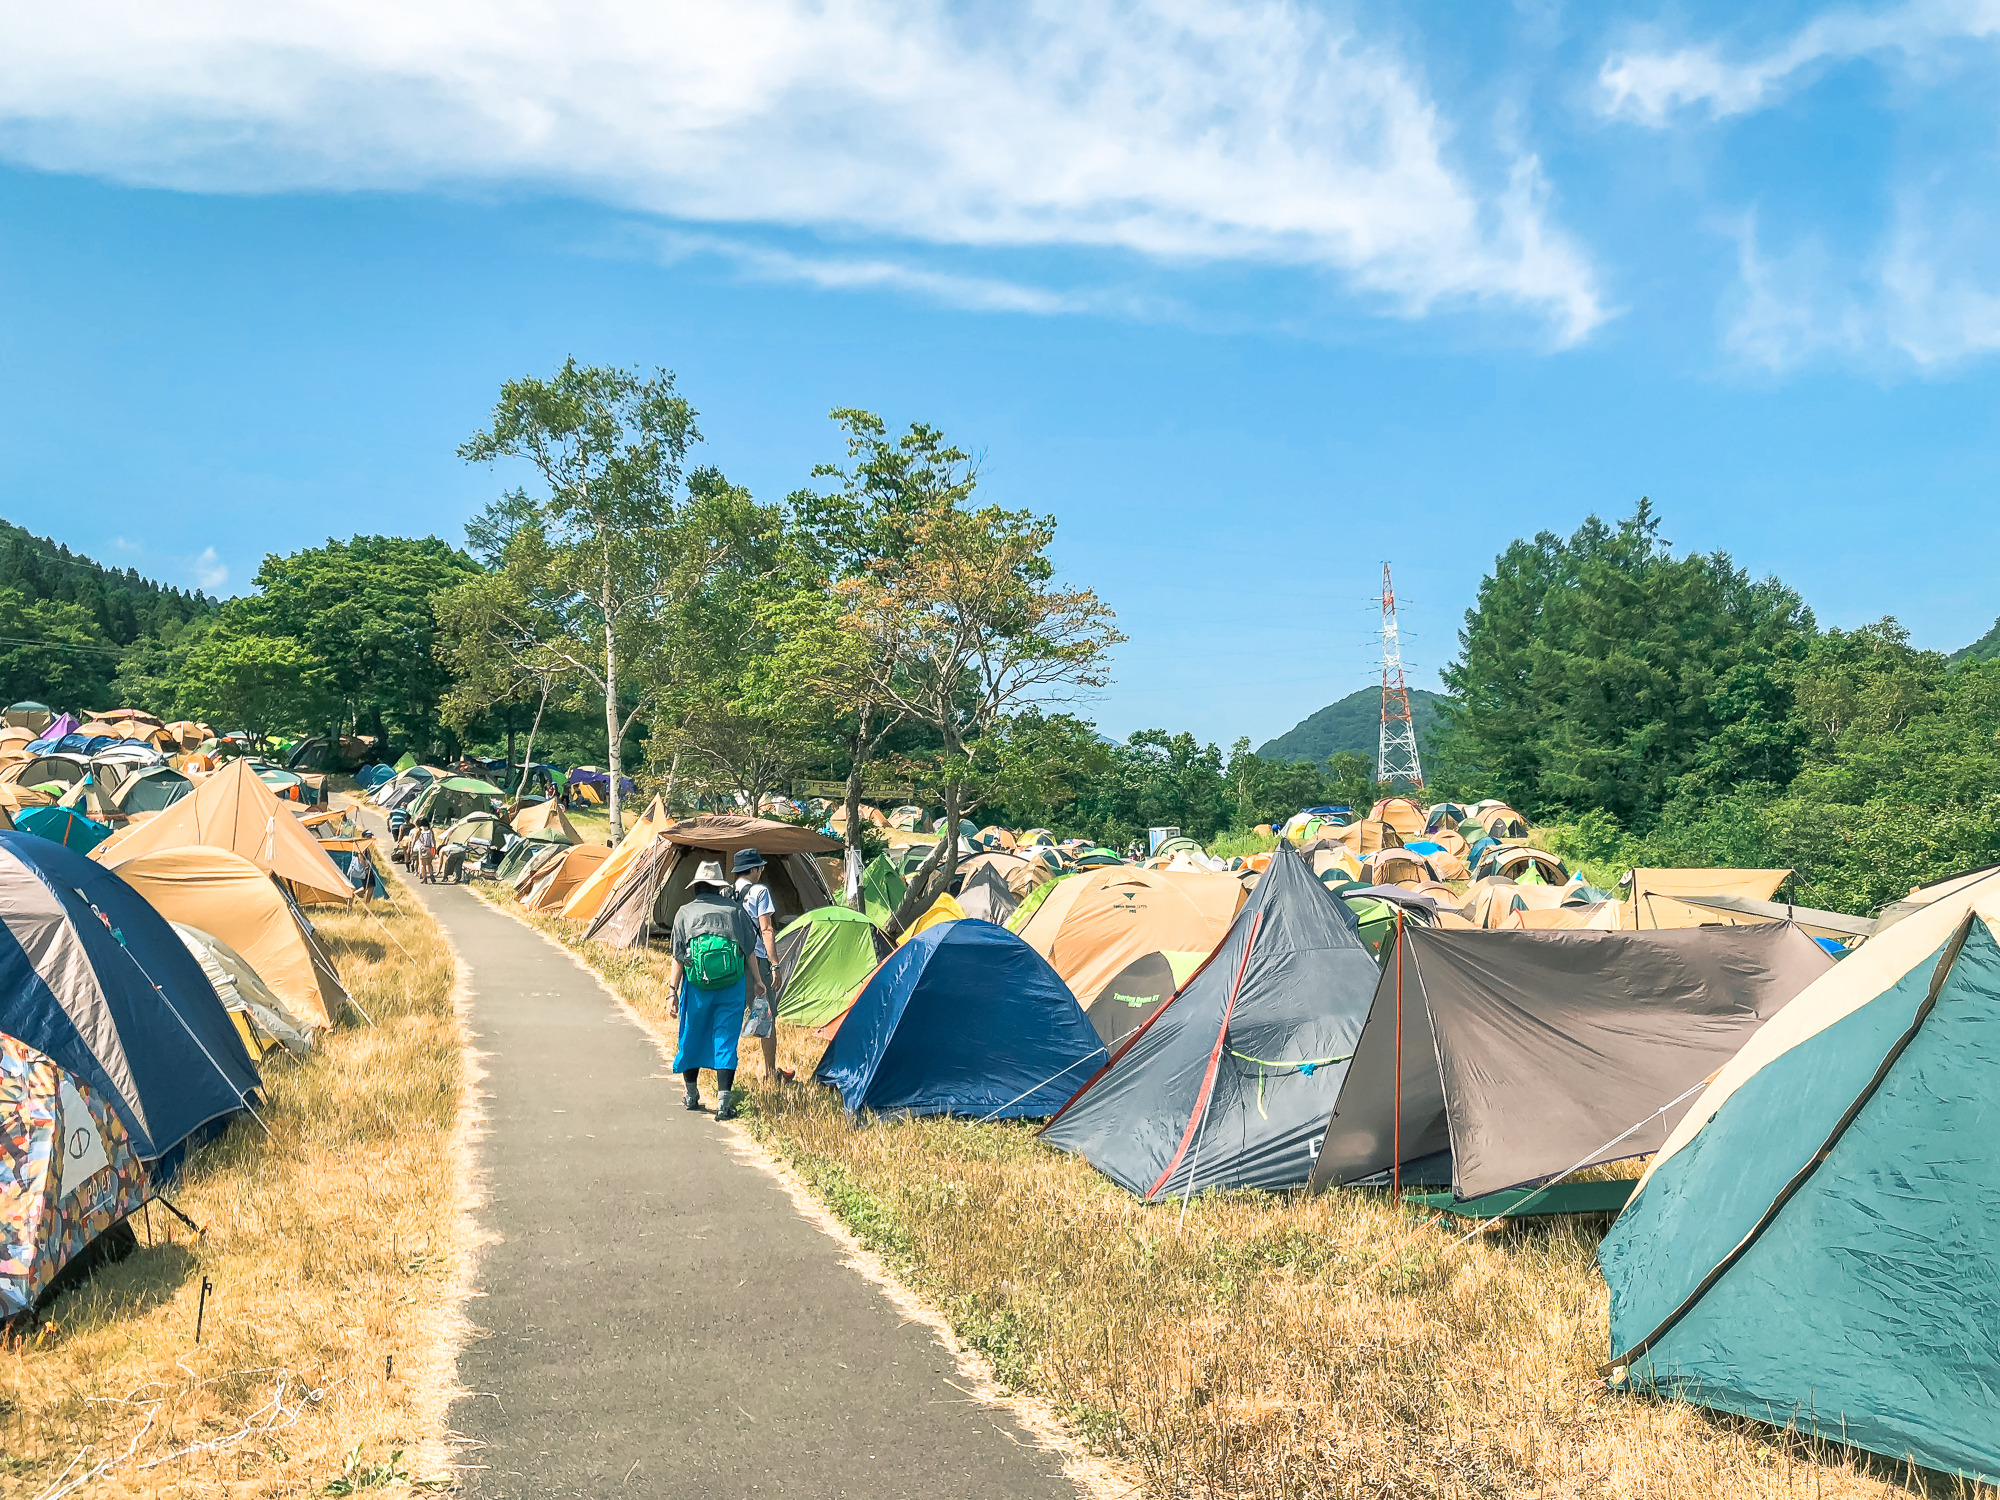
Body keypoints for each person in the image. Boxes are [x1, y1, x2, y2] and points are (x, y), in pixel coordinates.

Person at [667, 860, 766, 1121]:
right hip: (731, 986)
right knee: (726, 1038)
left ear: (697, 886)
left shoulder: (684, 913)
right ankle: (724, 1103)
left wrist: (672, 992)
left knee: (691, 1034)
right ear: (719, 887)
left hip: (697, 985)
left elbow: (678, 956)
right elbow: (748, 950)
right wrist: (757, 981)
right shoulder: (735, 911)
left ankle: (691, 1095)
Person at [732, 849, 794, 1085]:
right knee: (766, 1015)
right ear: (754, 869)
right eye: (760, 867)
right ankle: (770, 1072)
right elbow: (766, 929)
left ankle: (727, 1067)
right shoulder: (761, 891)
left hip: (734, 959)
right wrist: (775, 964)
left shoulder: (729, 891)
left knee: (734, 1012)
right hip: (756, 958)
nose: (762, 871)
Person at [410, 818, 437, 883]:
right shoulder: (430, 831)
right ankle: (431, 876)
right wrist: (434, 849)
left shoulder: (419, 830)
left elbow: (414, 840)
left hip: (422, 849)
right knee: (429, 864)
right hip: (430, 848)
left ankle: (424, 878)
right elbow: (433, 841)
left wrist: (411, 848)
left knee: (422, 864)